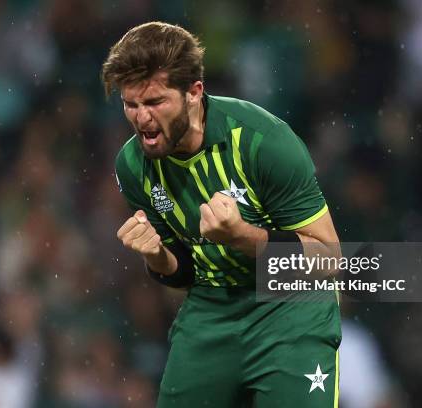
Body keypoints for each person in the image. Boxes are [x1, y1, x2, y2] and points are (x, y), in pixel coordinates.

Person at [103, 21, 341, 407]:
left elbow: (329, 258)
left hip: (291, 311)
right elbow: (184, 270)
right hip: (211, 311)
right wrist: (157, 256)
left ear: (194, 92)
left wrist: (242, 237)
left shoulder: (262, 141)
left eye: (155, 102)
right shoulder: (133, 166)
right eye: (131, 104)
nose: (142, 119)